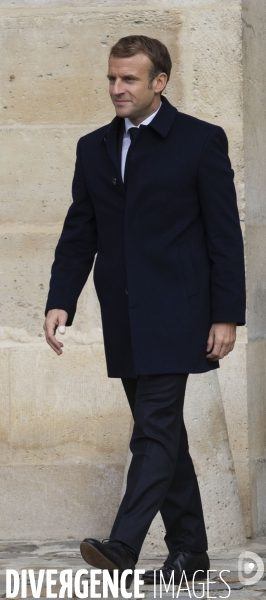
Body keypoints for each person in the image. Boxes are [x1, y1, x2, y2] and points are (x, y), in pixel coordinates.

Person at [43, 35, 246, 586]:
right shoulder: (94, 147)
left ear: (160, 81)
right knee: (164, 436)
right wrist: (62, 299)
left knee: (152, 433)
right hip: (125, 315)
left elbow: (225, 237)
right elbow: (79, 230)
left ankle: (123, 546)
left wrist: (226, 314)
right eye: (112, 78)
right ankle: (190, 554)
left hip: (179, 314)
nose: (117, 89)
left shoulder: (201, 142)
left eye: (129, 79)